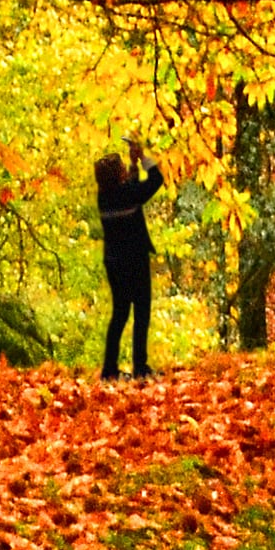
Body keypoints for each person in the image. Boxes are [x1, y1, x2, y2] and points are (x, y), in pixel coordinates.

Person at [94, 138, 166, 379]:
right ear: (118, 176)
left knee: (120, 314)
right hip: (134, 259)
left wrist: (134, 166)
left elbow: (131, 189)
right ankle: (140, 367)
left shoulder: (105, 197)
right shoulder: (127, 194)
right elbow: (156, 180)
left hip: (114, 262)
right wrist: (143, 158)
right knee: (141, 311)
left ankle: (109, 369)